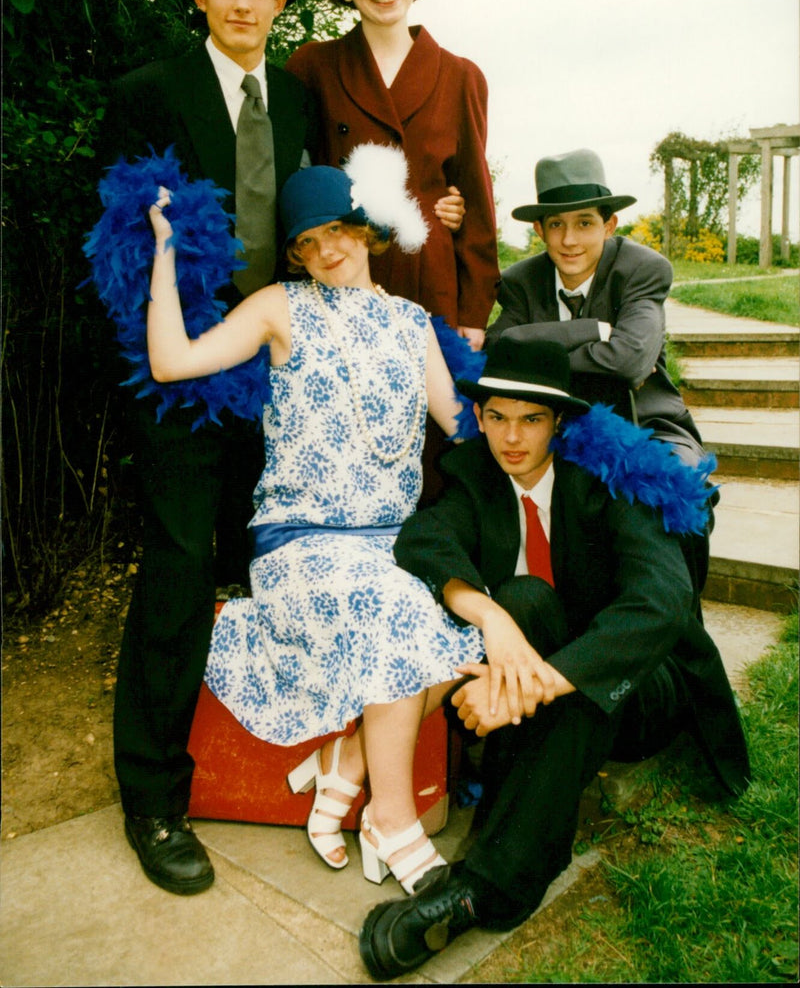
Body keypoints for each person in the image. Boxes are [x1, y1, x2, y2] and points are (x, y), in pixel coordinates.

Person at [145, 146, 489, 895]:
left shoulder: (410, 323)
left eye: (337, 231)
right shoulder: (279, 307)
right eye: (306, 242)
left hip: (392, 546)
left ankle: (344, 766)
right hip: (302, 545)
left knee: (475, 632)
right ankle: (389, 818)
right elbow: (172, 362)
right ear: (295, 255)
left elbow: (466, 430)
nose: (325, 251)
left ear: (364, 230)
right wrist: (164, 256)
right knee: (400, 613)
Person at [358, 331, 750, 979]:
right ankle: (515, 839)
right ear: (480, 418)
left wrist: (541, 682)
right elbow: (425, 541)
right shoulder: (475, 475)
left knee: (578, 683)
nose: (513, 438)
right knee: (521, 599)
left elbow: (661, 604)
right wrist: (490, 616)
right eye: (499, 418)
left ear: (559, 422)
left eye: (532, 420)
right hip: (547, 660)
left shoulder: (612, 480)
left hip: (644, 682)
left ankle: (484, 888)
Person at [97, 0, 317, 895]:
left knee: (257, 557)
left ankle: (262, 764)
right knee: (182, 563)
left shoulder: (302, 104)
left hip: (275, 368)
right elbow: (118, 248)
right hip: (182, 372)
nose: (241, 2)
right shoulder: (148, 93)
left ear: (279, 3)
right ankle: (151, 794)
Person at [485, 147, 714, 592]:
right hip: (549, 427)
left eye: (585, 223)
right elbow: (500, 351)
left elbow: (630, 363)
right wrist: (593, 329)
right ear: (539, 230)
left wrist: (540, 354)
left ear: (609, 225)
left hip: (645, 422)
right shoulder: (520, 281)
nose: (570, 240)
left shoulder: (641, 269)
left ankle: (682, 630)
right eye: (556, 225)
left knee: (677, 487)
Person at [285, 0, 499, 349]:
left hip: (431, 283)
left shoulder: (461, 76)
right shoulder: (313, 66)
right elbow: (295, 183)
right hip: (340, 280)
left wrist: (475, 313)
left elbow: (477, 205)